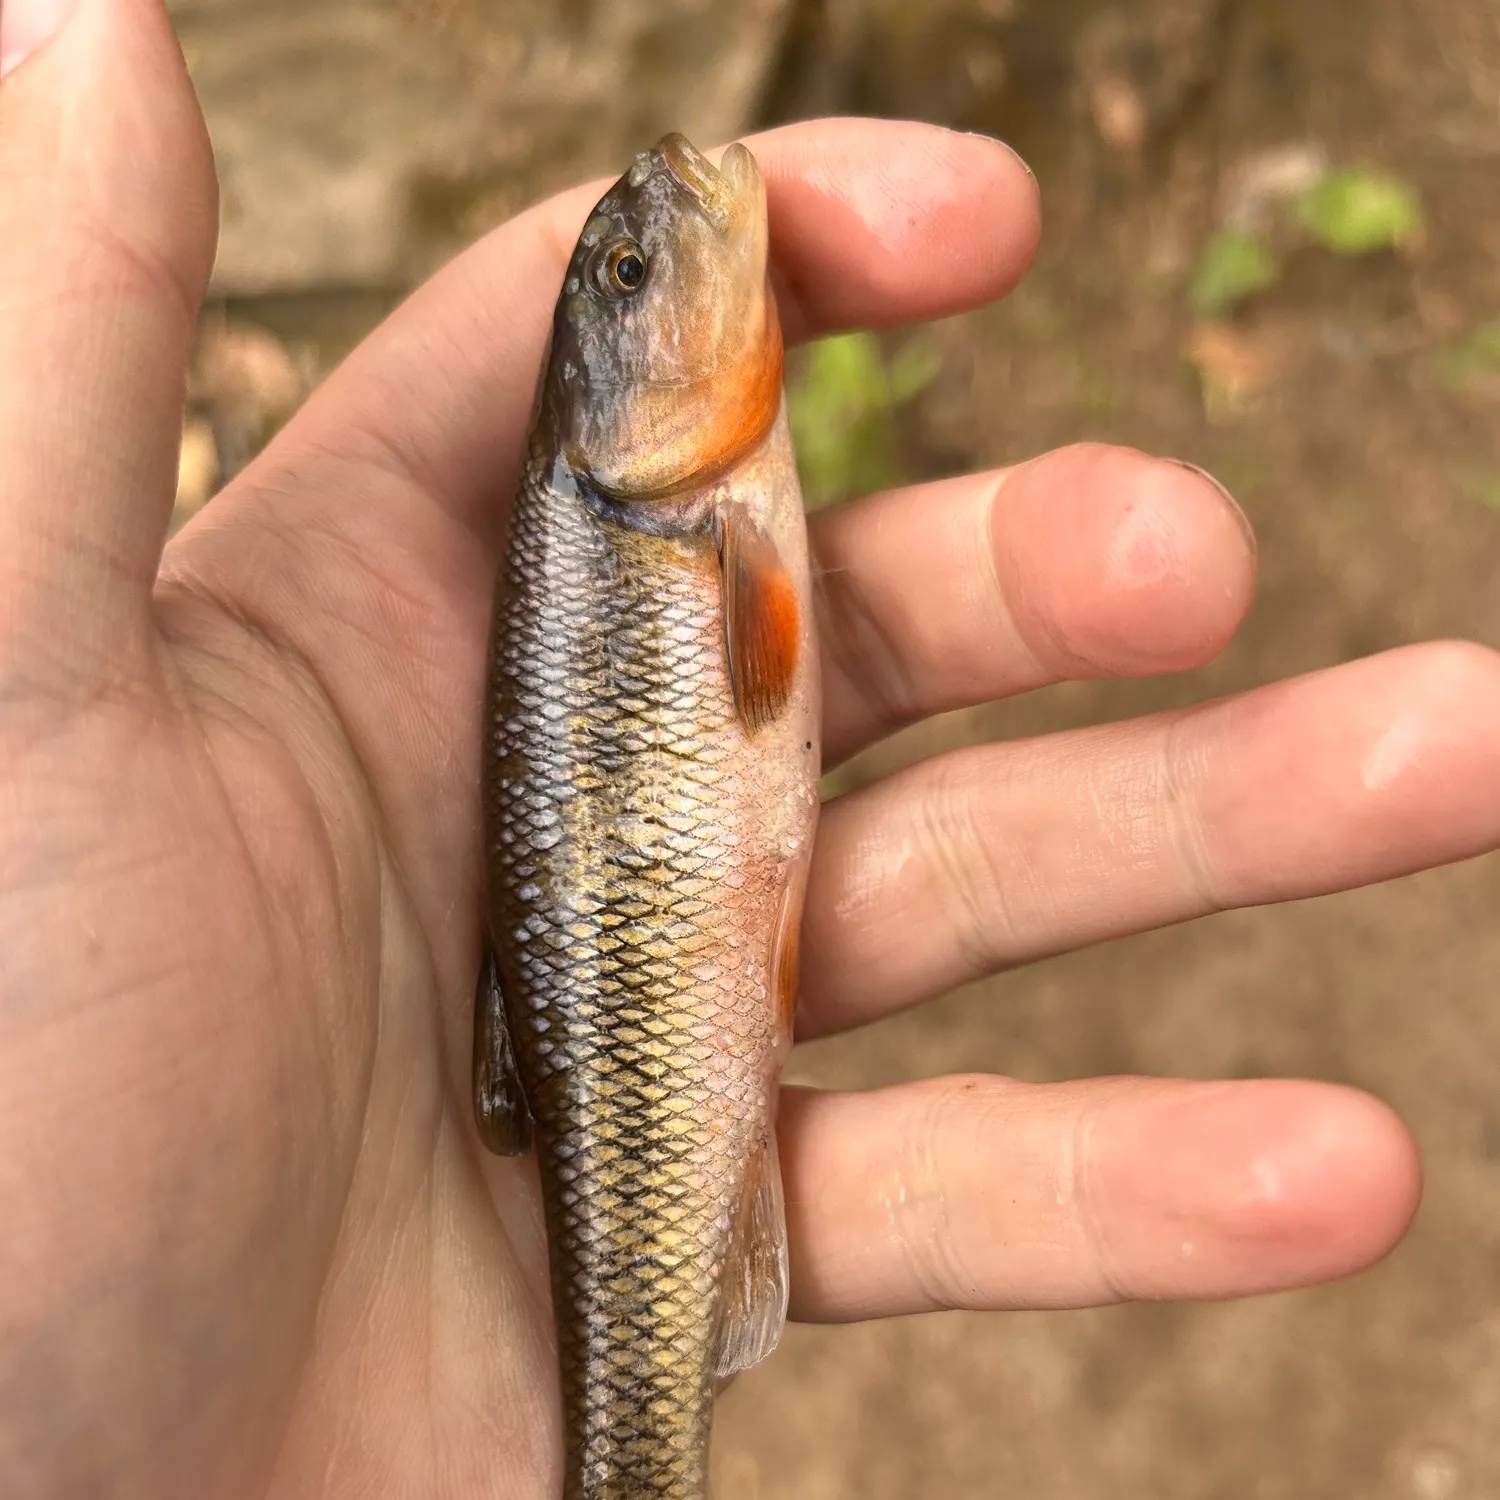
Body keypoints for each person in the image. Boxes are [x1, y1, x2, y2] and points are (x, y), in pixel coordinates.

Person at [3, 1, 1498, 1494]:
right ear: (602, 402)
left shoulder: (650, 515)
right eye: (633, 274)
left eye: (624, 265)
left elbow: (766, 656)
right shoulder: (645, 526)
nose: (667, 202)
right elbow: (768, 652)